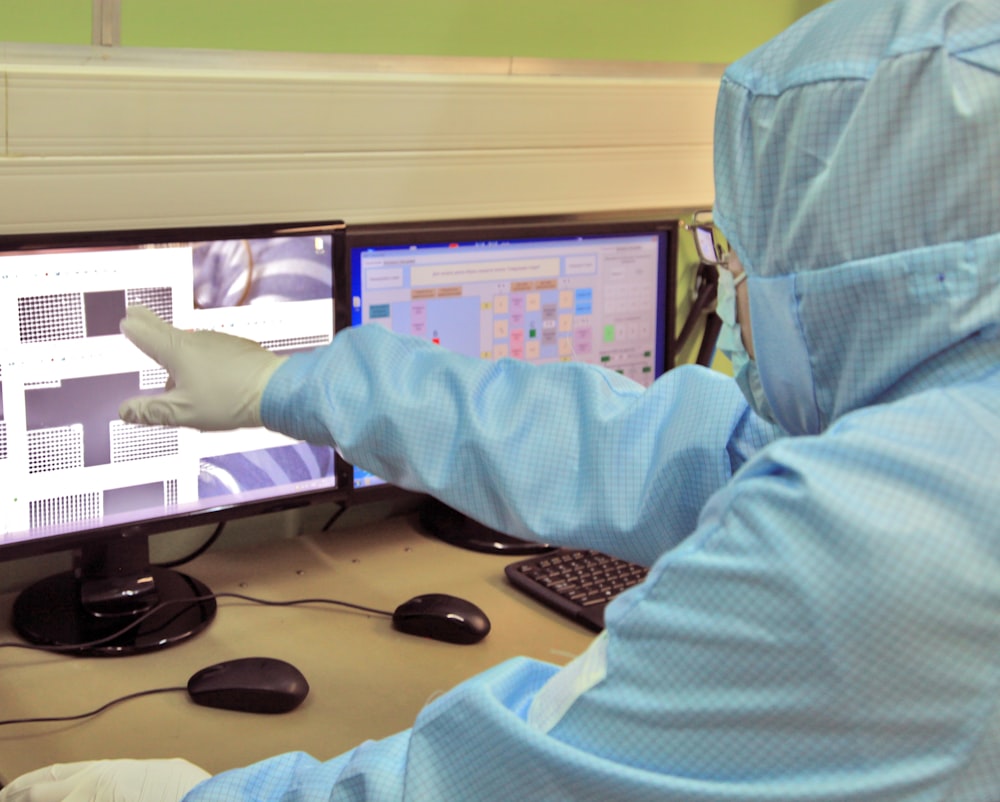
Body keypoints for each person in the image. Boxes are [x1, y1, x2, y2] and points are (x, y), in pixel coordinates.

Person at [5, 0, 1000, 798]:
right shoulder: (938, 436)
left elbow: (504, 779)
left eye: (749, 252)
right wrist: (288, 383)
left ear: (860, 259)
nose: (732, 286)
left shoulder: (892, 532)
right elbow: (660, 451)